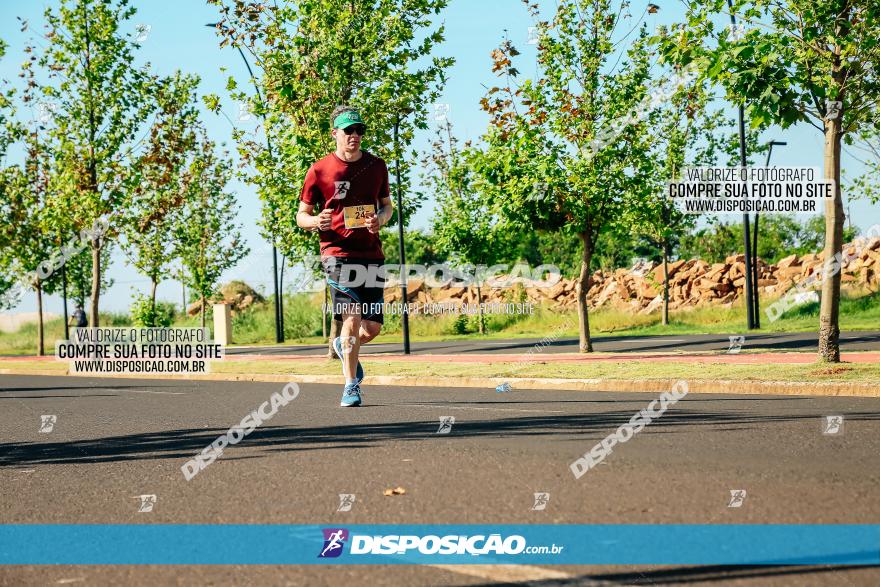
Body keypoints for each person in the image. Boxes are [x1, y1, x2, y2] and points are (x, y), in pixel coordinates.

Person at [296, 106, 394, 407]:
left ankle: (342, 345)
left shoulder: (377, 166)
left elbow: (387, 206)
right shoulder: (319, 170)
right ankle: (351, 385)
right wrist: (316, 222)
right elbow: (302, 215)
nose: (355, 136)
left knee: (372, 328)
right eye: (348, 130)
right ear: (335, 133)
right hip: (337, 254)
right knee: (351, 318)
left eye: (359, 130)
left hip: (371, 254)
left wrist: (381, 219)